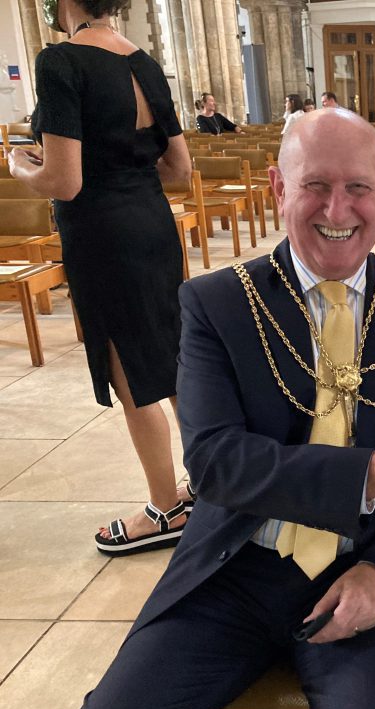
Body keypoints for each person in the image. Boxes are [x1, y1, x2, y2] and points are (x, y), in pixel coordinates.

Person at [49, 109, 375, 709]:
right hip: (234, 574)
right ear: (280, 188)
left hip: (364, 573)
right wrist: (368, 475)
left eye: (359, 188)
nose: (338, 208)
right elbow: (216, 462)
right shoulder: (215, 303)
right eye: (316, 185)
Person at [10, 0, 195, 556]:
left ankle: (166, 508)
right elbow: (180, 171)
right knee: (176, 358)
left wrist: (23, 167)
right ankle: (211, 484)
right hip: (153, 224)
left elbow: (64, 182)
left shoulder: (61, 61)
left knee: (131, 372)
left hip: (102, 235)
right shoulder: (144, 61)